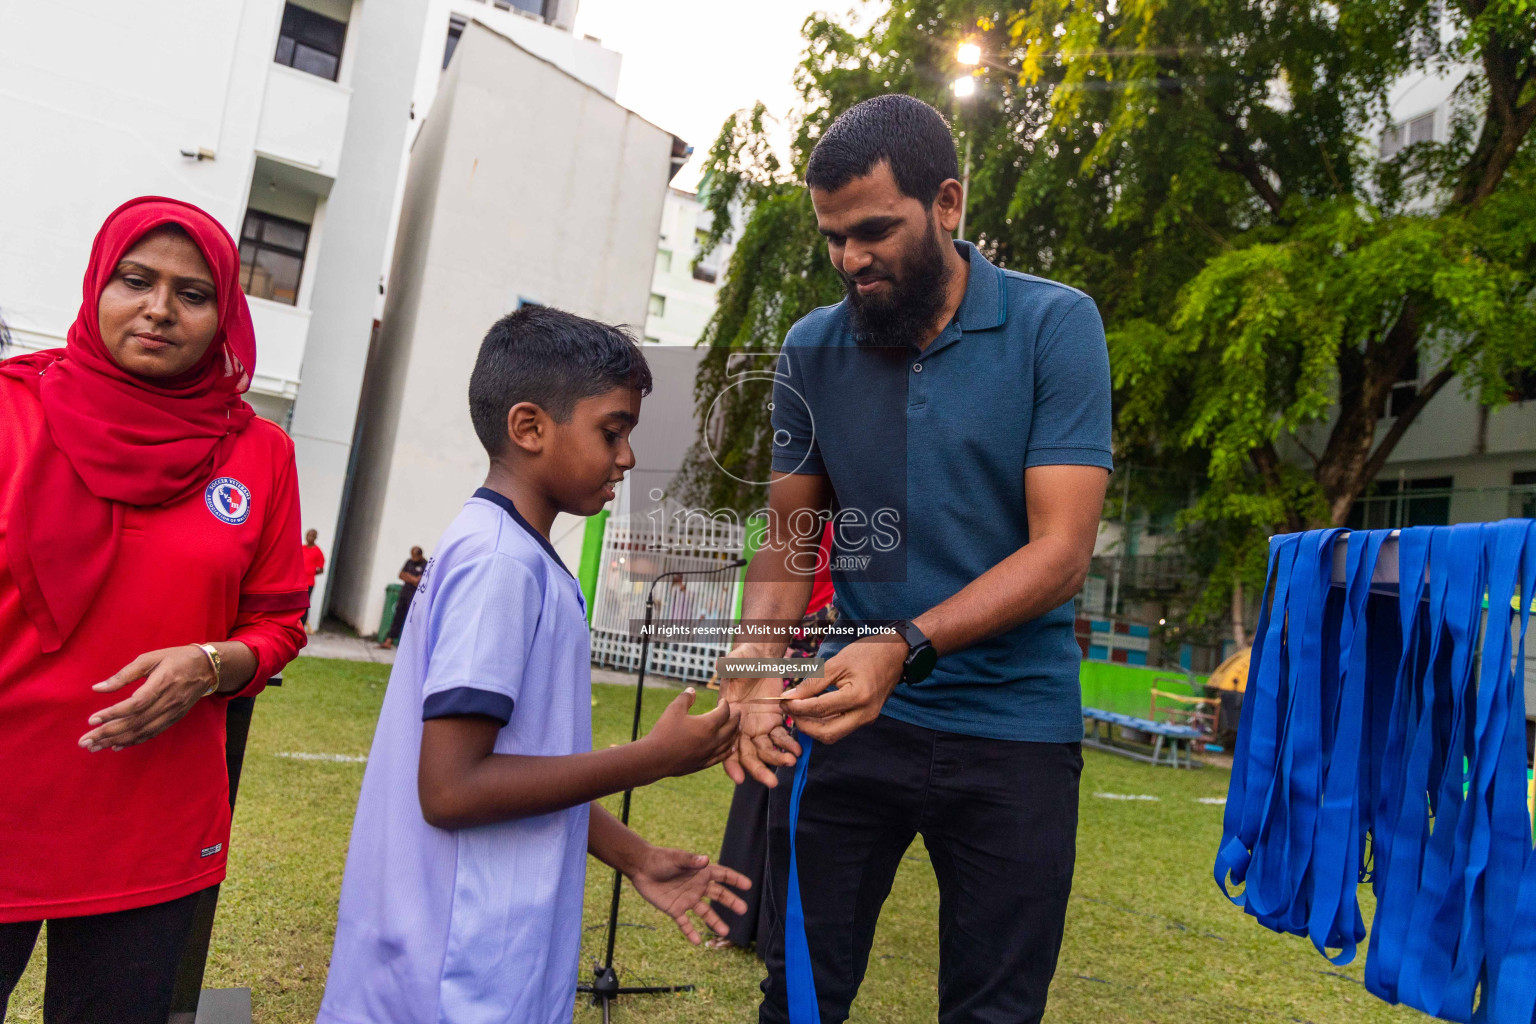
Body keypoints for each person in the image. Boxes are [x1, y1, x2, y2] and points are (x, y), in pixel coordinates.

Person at [722, 95, 1112, 1024]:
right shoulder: (812, 347)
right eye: (832, 237)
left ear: (947, 204)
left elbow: (1060, 554)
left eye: (873, 231)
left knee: (994, 1008)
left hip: (1016, 729)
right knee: (801, 995)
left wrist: (906, 644)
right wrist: (751, 674)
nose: (852, 258)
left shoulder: (1056, 327)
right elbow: (790, 538)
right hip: (850, 726)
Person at [318, 306, 749, 1024]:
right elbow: (452, 789)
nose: (627, 457)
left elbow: (523, 765)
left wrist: (633, 854)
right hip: (454, 971)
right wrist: (650, 758)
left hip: (483, 955)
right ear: (529, 427)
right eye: (612, 431)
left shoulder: (522, 559)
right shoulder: (499, 565)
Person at [0, 197, 309, 1022]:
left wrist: (213, 663)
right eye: (135, 280)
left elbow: (278, 622)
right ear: (99, 283)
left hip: (149, 824)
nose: (159, 309)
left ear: (225, 316)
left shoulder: (260, 453)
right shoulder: (9, 412)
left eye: (193, 293)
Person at [707, 523, 835, 954]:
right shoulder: (800, 531)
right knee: (758, 793)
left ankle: (770, 930)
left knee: (794, 802)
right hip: (781, 667)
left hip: (814, 674)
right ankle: (736, 923)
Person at [378, 545, 427, 649]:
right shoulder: (409, 562)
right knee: (397, 617)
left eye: (414, 556)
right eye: (412, 556)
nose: (413, 558)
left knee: (412, 619)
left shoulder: (425, 565)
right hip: (404, 593)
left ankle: (409, 645)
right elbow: (401, 575)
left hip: (415, 596)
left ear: (420, 555)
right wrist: (412, 578)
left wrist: (408, 577)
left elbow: (419, 581)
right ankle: (389, 640)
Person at [302, 529, 326, 633]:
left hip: (309, 583)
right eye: (307, 535)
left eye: (311, 536)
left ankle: (302, 626)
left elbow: (321, 569)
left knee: (304, 605)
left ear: (315, 538)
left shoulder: (317, 551)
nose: (309, 538)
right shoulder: (301, 548)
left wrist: (311, 573)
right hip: (298, 582)